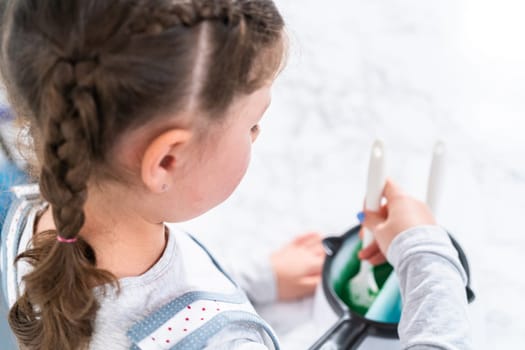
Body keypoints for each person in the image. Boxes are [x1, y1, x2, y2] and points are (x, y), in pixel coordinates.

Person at [0, 0, 470, 349]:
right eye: (252, 123)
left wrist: (252, 283)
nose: (258, 134)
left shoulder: (21, 211)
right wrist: (426, 251)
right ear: (166, 161)